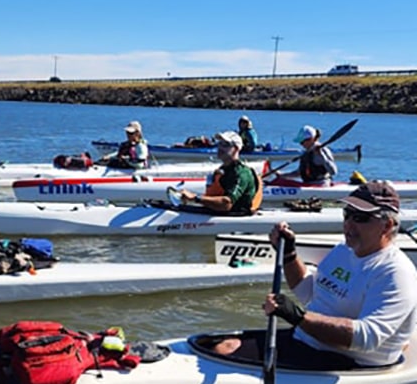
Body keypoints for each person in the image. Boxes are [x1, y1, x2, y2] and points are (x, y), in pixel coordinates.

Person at [216, 181, 417, 369]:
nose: (348, 224)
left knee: (223, 351)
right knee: (219, 345)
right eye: (347, 214)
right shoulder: (343, 251)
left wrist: (296, 316)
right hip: (308, 341)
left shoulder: (396, 272)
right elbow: (308, 293)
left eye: (360, 218)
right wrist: (288, 254)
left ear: (387, 226)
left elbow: (366, 338)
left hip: (352, 360)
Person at [179, 130, 261, 214]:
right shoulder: (223, 169)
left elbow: (226, 204)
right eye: (220, 144)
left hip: (235, 217)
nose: (220, 148)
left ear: (236, 149)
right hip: (218, 214)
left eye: (225, 145)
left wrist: (195, 198)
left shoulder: (241, 173)